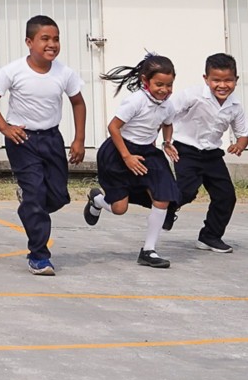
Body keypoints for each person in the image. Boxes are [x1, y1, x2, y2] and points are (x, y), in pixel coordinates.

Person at [0, 15, 86, 276]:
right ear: (29, 42)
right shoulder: (14, 70)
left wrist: (79, 139)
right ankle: (39, 256)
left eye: (56, 39)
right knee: (36, 196)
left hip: (52, 139)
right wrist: (4, 127)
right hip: (22, 140)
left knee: (58, 196)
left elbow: (78, 103)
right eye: (45, 39)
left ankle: (29, 202)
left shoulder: (65, 73)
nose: (52, 44)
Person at [83, 53, 180, 268]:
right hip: (119, 152)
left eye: (169, 85)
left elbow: (167, 122)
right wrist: (126, 157)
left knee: (163, 196)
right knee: (119, 209)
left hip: (148, 153)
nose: (164, 90)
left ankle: (149, 251)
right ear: (145, 81)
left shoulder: (167, 105)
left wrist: (167, 141)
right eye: (159, 84)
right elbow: (113, 127)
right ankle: (97, 200)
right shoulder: (136, 101)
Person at [162, 53, 247, 254]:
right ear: (206, 79)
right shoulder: (193, 95)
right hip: (185, 150)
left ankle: (210, 236)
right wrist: (165, 141)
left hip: (212, 154)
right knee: (187, 190)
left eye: (228, 80)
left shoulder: (235, 106)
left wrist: (240, 145)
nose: (222, 85)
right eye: (216, 80)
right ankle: (166, 208)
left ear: (236, 80)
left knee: (226, 196)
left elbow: (243, 133)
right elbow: (166, 113)